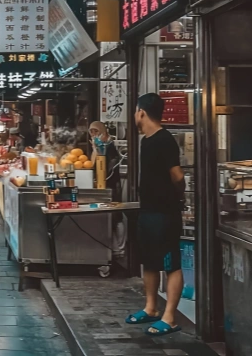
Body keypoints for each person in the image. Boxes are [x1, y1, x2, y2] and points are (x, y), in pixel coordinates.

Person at [125, 93, 185, 336]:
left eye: (136, 111)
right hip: (148, 211)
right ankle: (151, 308)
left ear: (141, 112)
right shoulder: (146, 141)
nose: (135, 116)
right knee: (149, 261)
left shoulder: (165, 140)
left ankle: (169, 317)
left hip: (165, 213)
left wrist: (177, 196)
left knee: (171, 265)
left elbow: (178, 176)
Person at [89, 121, 123, 202]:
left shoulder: (109, 147)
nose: (94, 134)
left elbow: (109, 169)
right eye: (91, 132)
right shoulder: (97, 148)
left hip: (110, 185)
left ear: (103, 133)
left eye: (96, 131)